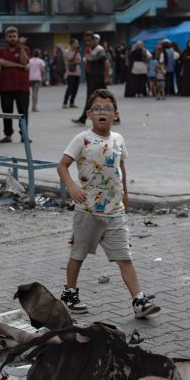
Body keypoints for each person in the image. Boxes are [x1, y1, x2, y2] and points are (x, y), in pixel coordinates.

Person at [56, 88, 160, 319]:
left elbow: (121, 167)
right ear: (89, 114)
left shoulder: (118, 139)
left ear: (116, 114)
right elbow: (62, 165)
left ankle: (139, 301)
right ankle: (69, 293)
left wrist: (125, 192)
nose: (102, 113)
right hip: (87, 211)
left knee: (125, 257)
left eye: (107, 109)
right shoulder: (81, 139)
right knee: (78, 253)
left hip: (115, 212)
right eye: (97, 109)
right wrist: (72, 186)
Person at [0, 26, 31, 142]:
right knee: (7, 112)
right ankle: (8, 135)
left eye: (14, 36)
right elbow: (2, 63)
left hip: (22, 86)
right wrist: (18, 66)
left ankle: (24, 135)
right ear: (6, 38)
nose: (12, 38)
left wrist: (21, 48)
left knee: (23, 112)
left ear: (17, 37)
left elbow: (24, 61)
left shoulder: (25, 49)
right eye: (10, 36)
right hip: (5, 87)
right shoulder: (1, 51)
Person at [74, 32, 109, 123]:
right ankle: (83, 118)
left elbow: (106, 63)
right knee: (101, 97)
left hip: (98, 78)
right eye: (86, 41)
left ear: (94, 40)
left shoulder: (99, 49)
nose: (87, 43)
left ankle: (83, 118)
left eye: (89, 40)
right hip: (91, 77)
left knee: (97, 97)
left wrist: (106, 77)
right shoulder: (90, 49)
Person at [62, 39, 81, 108]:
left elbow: (79, 61)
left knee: (76, 88)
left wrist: (74, 61)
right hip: (70, 73)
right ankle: (65, 103)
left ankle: (72, 102)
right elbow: (71, 59)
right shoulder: (67, 52)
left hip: (77, 72)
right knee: (70, 88)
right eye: (76, 43)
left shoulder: (77, 52)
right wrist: (75, 53)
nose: (77, 45)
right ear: (72, 44)